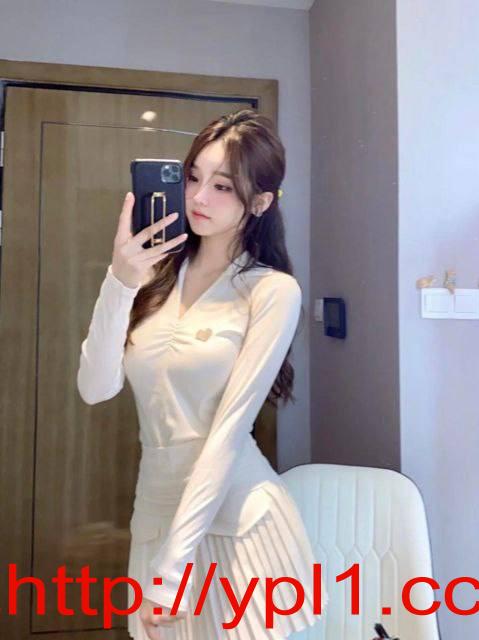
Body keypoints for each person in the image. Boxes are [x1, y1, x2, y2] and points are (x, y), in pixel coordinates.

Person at [77, 109, 328, 639]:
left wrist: (174, 569)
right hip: (156, 516)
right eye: (192, 178)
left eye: (222, 187)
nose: (197, 198)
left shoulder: (271, 291)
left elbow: (229, 433)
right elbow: (95, 388)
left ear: (260, 203)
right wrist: (120, 279)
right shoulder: (153, 279)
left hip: (237, 521)